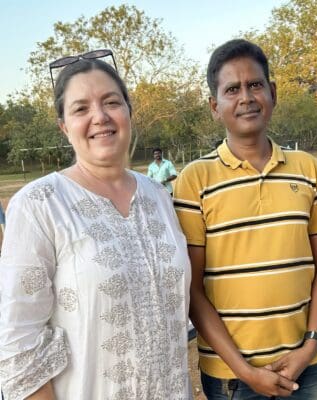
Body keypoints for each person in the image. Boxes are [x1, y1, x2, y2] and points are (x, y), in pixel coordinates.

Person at [0, 54, 192, 399]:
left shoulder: (158, 197)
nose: (100, 116)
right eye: (81, 108)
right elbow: (19, 345)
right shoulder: (39, 205)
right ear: (64, 126)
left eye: (111, 102)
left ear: (129, 111)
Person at [174, 39, 317, 399]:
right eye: (232, 89)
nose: (246, 97)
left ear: (272, 93)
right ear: (215, 107)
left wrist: (311, 344)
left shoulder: (307, 169)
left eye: (255, 85)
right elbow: (193, 287)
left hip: (308, 366)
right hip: (232, 376)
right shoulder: (195, 179)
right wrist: (245, 371)